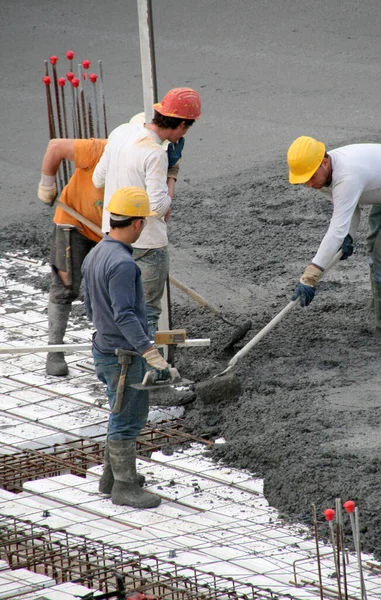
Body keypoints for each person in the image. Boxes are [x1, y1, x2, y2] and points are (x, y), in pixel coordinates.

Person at [287, 136, 381, 337]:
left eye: (311, 177)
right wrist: (349, 236)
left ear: (324, 162)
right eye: (304, 180)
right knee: (374, 245)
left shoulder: (347, 174)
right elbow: (348, 207)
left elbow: (336, 229)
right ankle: (380, 309)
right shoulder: (323, 176)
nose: (309, 185)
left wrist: (310, 277)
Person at [92, 87, 201, 357]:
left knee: (118, 307)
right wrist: (170, 180)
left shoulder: (119, 132)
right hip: (149, 243)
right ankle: (151, 375)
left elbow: (98, 179)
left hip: (114, 235)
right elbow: (158, 206)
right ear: (183, 126)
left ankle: (117, 364)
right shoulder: (155, 153)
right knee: (146, 315)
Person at [82, 186, 167, 509]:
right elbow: (125, 314)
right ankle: (125, 487)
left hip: (103, 349)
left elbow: (89, 304)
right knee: (128, 417)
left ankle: (111, 477)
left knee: (119, 412)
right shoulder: (123, 264)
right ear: (136, 223)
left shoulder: (96, 254)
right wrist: (149, 351)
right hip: (124, 357)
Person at [37, 137, 107, 376]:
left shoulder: (149, 161)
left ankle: (107, 352)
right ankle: (54, 351)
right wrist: (47, 185)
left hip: (110, 231)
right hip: (73, 222)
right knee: (65, 287)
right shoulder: (99, 149)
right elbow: (56, 147)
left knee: (107, 289)